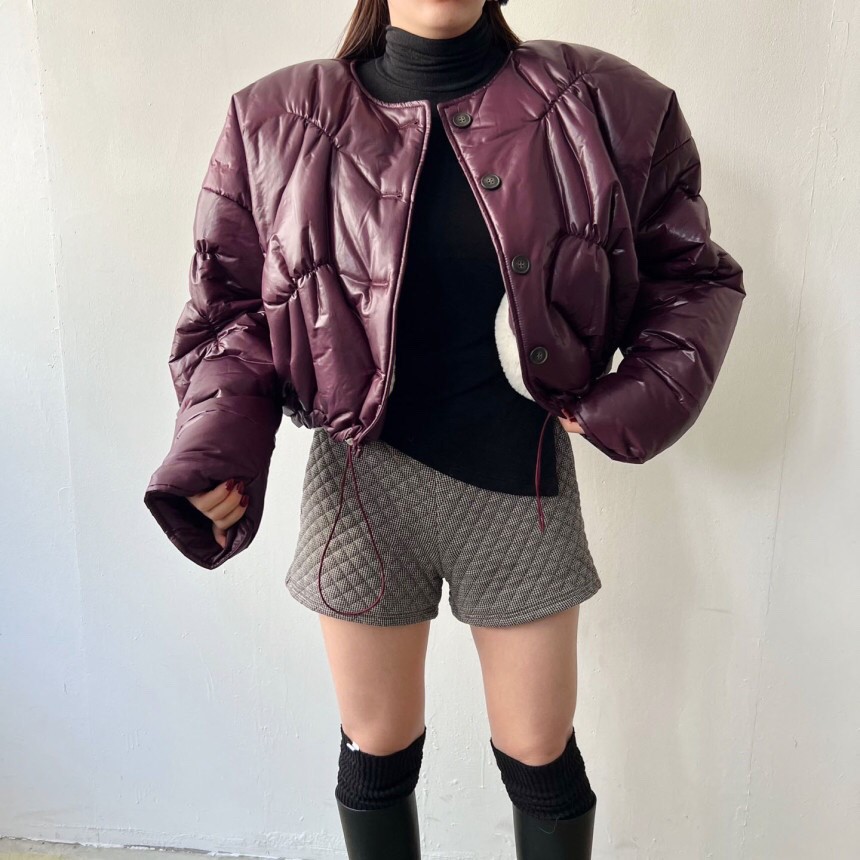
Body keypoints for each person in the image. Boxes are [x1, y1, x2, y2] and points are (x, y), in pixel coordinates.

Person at [143, 1, 745, 857]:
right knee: (375, 745)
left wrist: (626, 401)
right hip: (360, 487)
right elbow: (231, 312)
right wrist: (216, 454)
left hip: (518, 479)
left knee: (539, 752)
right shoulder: (274, 119)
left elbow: (693, 277)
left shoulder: (604, 104)